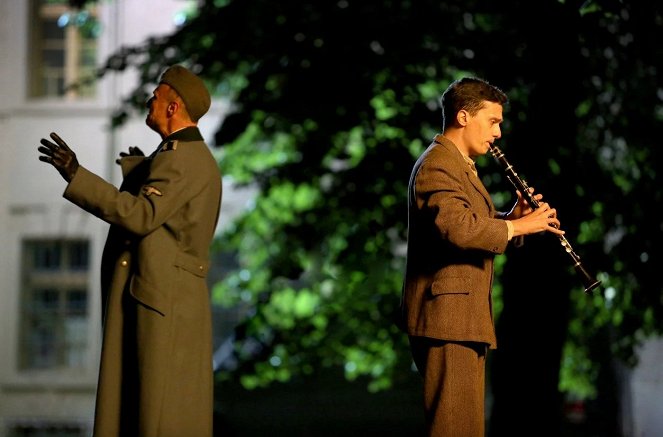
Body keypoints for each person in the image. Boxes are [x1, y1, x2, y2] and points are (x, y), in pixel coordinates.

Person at [37, 65, 222, 437]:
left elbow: (142, 216)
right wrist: (142, 170)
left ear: (173, 107)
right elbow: (167, 212)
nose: (150, 101)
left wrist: (77, 174)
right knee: (145, 408)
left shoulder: (182, 159)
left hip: (162, 302)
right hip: (162, 297)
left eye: (157, 97)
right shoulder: (176, 155)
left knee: (154, 412)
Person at [399, 77, 565, 437]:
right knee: (454, 428)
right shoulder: (438, 165)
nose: (498, 133)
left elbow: (467, 223)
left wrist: (511, 219)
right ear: (463, 117)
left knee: (466, 428)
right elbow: (457, 228)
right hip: (447, 320)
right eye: (493, 121)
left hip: (461, 319)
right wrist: (519, 229)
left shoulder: (457, 165)